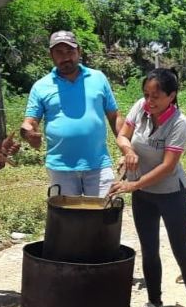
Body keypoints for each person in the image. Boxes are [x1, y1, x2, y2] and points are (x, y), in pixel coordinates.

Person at [108, 68, 186, 307]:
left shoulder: (179, 123)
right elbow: (122, 135)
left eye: (156, 96)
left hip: (171, 193)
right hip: (144, 196)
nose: (150, 101)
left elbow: (167, 166)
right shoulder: (140, 109)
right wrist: (127, 151)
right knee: (149, 249)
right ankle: (155, 304)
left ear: (171, 96)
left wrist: (133, 184)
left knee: (181, 248)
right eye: (146, 94)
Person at [19, 30, 121, 197]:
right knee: (67, 220)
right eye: (59, 52)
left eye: (70, 51)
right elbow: (30, 121)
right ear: (51, 55)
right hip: (61, 168)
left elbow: (114, 116)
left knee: (103, 217)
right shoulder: (41, 86)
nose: (65, 57)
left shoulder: (98, 78)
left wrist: (126, 147)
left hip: (98, 165)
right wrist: (28, 132)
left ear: (79, 51)